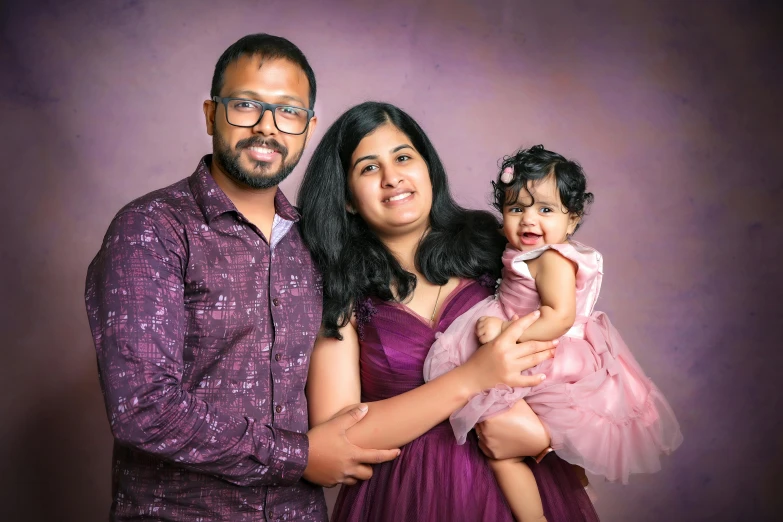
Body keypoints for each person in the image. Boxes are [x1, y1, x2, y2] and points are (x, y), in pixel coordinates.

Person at [84, 34, 405, 521]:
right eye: (246, 105)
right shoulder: (152, 227)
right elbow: (142, 408)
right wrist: (297, 456)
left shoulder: (316, 244)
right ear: (212, 114)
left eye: (287, 111)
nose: (266, 127)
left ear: (308, 126)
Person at [298, 102, 600, 521]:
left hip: (521, 489)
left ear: (428, 169)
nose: (392, 177)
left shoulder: (497, 246)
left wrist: (547, 438)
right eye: (369, 168)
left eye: (403, 157)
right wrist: (472, 377)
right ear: (347, 199)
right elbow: (339, 438)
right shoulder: (339, 289)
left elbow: (571, 350)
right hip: (405, 499)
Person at [424, 145, 684, 521]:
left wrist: (506, 334)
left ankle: (536, 517)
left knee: (503, 449)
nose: (529, 220)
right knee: (536, 429)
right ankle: (574, 485)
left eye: (545, 210)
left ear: (572, 220)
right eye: (517, 209)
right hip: (531, 338)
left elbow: (560, 317)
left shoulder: (551, 259)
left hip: (544, 348)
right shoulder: (528, 251)